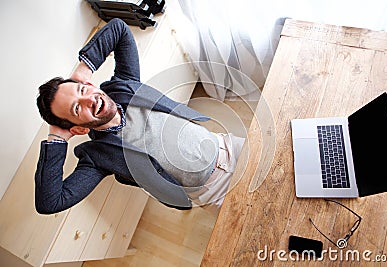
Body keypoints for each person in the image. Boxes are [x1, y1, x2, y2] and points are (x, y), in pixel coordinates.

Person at [35, 18, 244, 215]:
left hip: (228, 147)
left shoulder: (124, 85)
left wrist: (83, 70)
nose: (89, 100)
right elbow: (50, 202)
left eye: (82, 91)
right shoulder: (97, 157)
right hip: (213, 193)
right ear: (79, 129)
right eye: (76, 109)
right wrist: (57, 138)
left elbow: (119, 29)